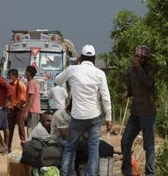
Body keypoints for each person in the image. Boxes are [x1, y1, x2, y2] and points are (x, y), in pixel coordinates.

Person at [55, 44, 112, 176]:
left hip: (77, 116)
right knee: (93, 149)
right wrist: (109, 118)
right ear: (94, 58)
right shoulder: (100, 73)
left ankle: (66, 173)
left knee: (70, 147)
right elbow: (106, 97)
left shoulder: (73, 69)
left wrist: (74, 64)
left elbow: (58, 80)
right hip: (94, 116)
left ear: (81, 57)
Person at [121, 45, 157, 176]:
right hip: (135, 112)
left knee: (148, 146)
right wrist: (126, 93)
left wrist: (138, 67)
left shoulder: (150, 68)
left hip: (148, 112)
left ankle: (150, 173)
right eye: (137, 57)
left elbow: (148, 83)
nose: (138, 59)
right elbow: (130, 89)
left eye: (141, 58)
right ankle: (126, 171)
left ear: (146, 59)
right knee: (125, 141)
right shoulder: (130, 70)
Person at [7, 69, 27, 152]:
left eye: (10, 76)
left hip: (19, 108)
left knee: (21, 126)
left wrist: (18, 105)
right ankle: (8, 145)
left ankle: (23, 142)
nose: (9, 77)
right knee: (10, 127)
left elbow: (24, 99)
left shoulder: (21, 85)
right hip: (12, 108)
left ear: (14, 76)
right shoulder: (10, 85)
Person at [22, 65, 42, 137]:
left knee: (31, 132)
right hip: (35, 110)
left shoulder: (31, 83)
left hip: (32, 110)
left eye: (26, 71)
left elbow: (31, 98)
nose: (25, 72)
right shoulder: (33, 83)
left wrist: (26, 111)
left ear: (29, 73)